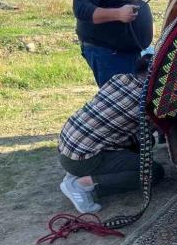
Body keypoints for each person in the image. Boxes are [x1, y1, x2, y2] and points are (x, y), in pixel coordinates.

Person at [57, 52, 164, 214]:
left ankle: (80, 174)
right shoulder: (145, 104)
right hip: (83, 159)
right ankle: (84, 185)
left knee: (143, 143)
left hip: (66, 148)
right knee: (153, 172)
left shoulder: (119, 79)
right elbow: (165, 130)